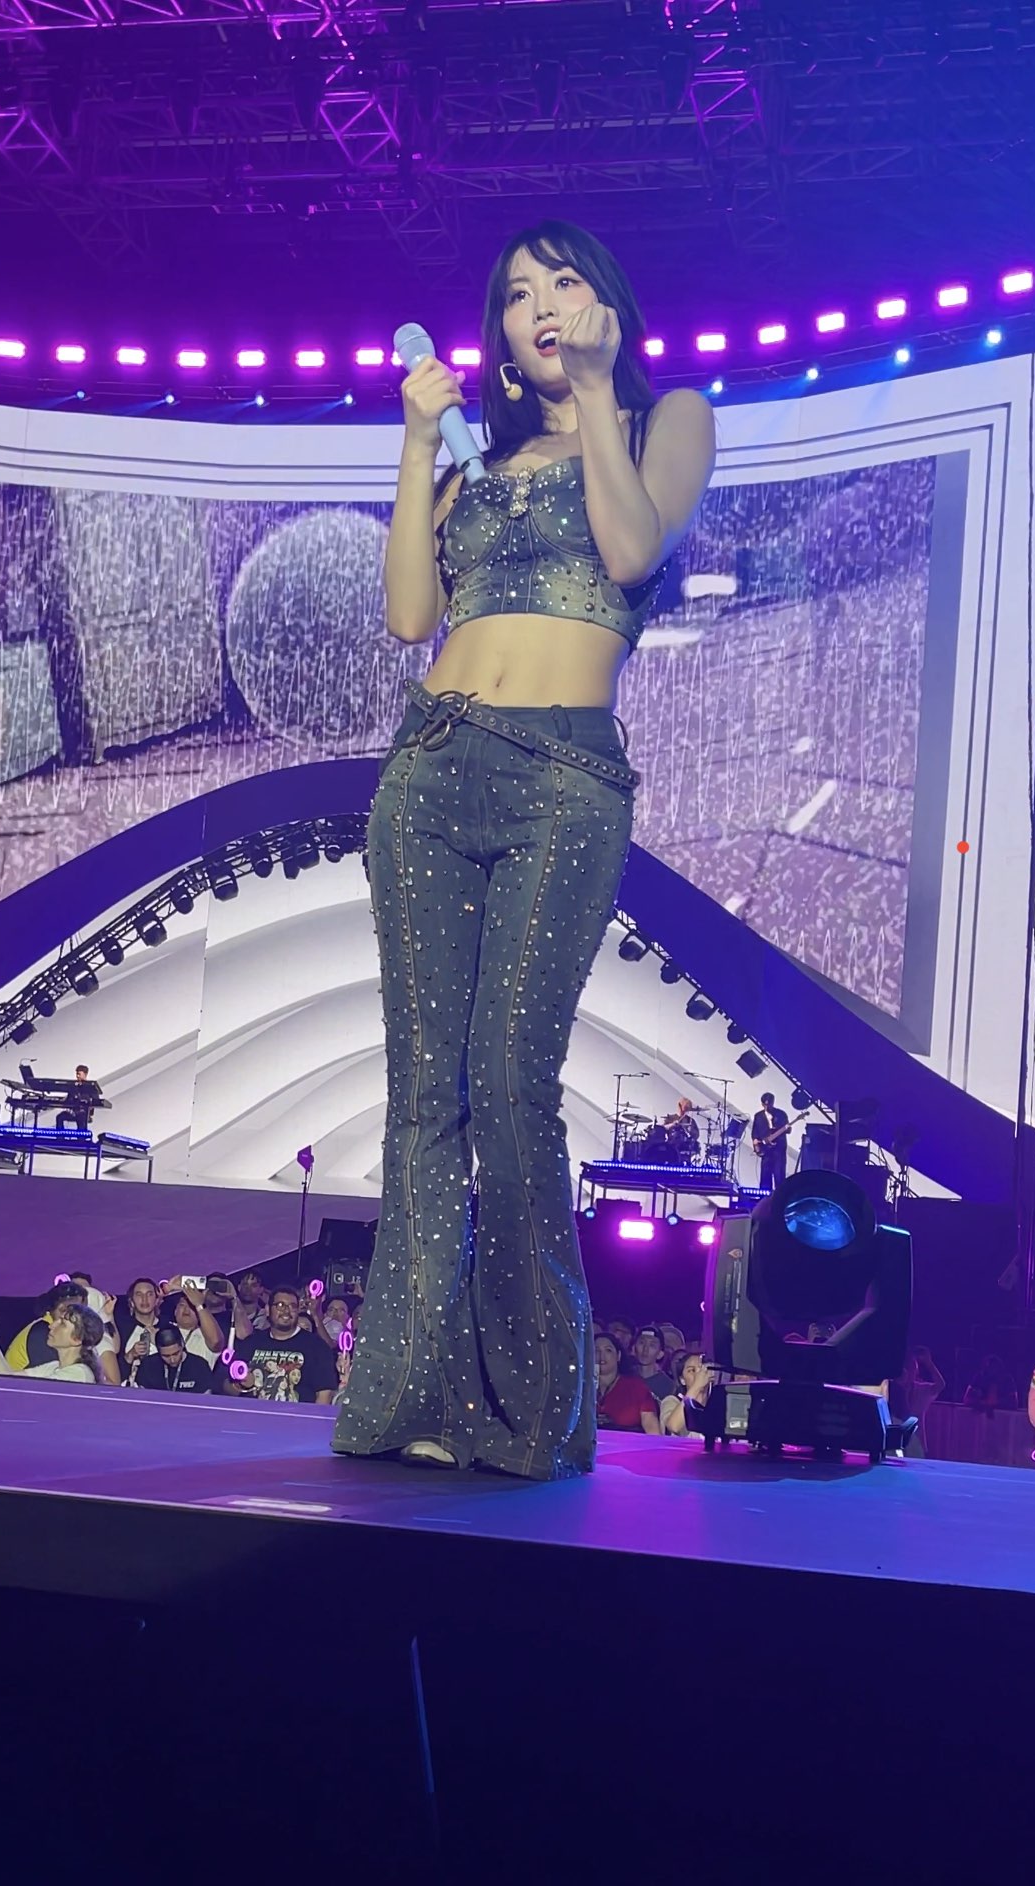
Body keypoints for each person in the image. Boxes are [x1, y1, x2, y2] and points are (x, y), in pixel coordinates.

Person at [331, 220, 714, 1480]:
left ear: (608, 304)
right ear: (496, 332)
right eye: (515, 294)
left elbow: (632, 550)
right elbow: (408, 614)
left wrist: (596, 390)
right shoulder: (472, 467)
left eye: (562, 283)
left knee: (508, 1084)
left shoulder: (665, 420)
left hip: (561, 779)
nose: (539, 305)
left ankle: (534, 1412)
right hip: (430, 767)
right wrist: (414, 445)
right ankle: (408, 1399)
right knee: (423, 1099)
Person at [211, 1287, 342, 1405]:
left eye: (292, 1306)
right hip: (252, 1418)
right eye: (280, 1305)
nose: (286, 1311)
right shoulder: (251, 1343)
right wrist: (239, 1385)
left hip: (296, 1421)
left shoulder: (317, 1347)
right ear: (268, 1310)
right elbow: (222, 1386)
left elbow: (324, 1395)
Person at [0, 1297, 107, 1382]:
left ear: (77, 1339)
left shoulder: (78, 1374)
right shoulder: (53, 1366)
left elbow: (8, 1383)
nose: (51, 1325)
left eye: (62, 1324)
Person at [593, 1333, 661, 1435]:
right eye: (596, 1350)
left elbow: (652, 1428)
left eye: (608, 1350)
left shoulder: (636, 1387)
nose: (601, 1356)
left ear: (618, 1356)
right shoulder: (581, 1387)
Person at [889, 1344, 945, 1458]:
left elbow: (940, 1385)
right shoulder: (890, 1388)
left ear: (917, 1372)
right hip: (894, 1442)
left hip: (917, 1443)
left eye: (913, 1368)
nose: (910, 1372)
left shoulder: (921, 1390)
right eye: (907, 1368)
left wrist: (929, 1364)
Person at [135, 1324, 214, 1396]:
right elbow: (141, 1396)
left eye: (176, 1353)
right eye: (166, 1356)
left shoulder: (199, 1366)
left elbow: (206, 1398)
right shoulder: (148, 1365)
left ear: (182, 1345)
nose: (172, 1360)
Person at [629, 1325, 679, 1408]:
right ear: (633, 1348)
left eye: (652, 1345)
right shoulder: (624, 1376)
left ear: (660, 1354)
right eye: (642, 1343)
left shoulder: (669, 1386)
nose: (645, 1349)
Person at [751, 1092, 789, 1191]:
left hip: (779, 1151)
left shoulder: (781, 1114)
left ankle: (780, 1197)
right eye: (765, 1105)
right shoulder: (758, 1116)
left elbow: (788, 1130)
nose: (767, 1107)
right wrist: (756, 1145)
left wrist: (783, 1129)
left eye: (769, 1104)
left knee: (779, 1176)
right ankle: (764, 1198)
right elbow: (754, 1133)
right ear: (762, 1104)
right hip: (766, 1151)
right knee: (765, 1177)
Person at [55, 1065, 102, 1134]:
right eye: (77, 1074)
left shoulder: (91, 1087)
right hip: (73, 1111)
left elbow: (96, 1101)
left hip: (84, 1113)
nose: (77, 1076)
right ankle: (60, 1137)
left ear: (85, 1074)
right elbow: (68, 1099)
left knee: (82, 1117)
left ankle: (81, 1138)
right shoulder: (73, 1087)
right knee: (59, 1117)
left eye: (79, 1074)